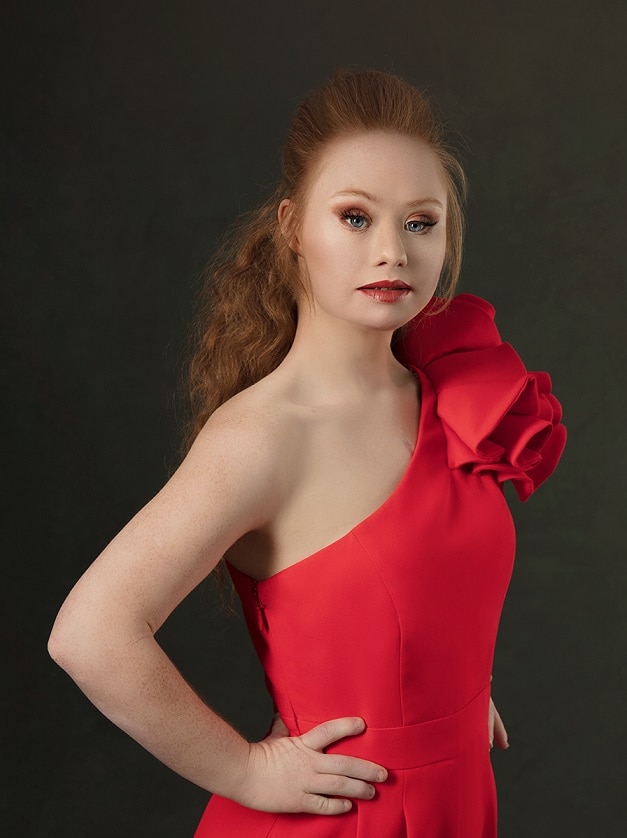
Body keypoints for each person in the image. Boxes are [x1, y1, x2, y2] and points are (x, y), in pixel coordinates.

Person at [48, 69, 566, 836]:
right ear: (293, 228)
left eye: (420, 223)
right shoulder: (264, 435)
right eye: (355, 217)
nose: (391, 249)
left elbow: (422, 584)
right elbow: (89, 633)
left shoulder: (443, 395)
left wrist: (439, 693)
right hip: (346, 818)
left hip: (454, 799)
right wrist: (243, 770)